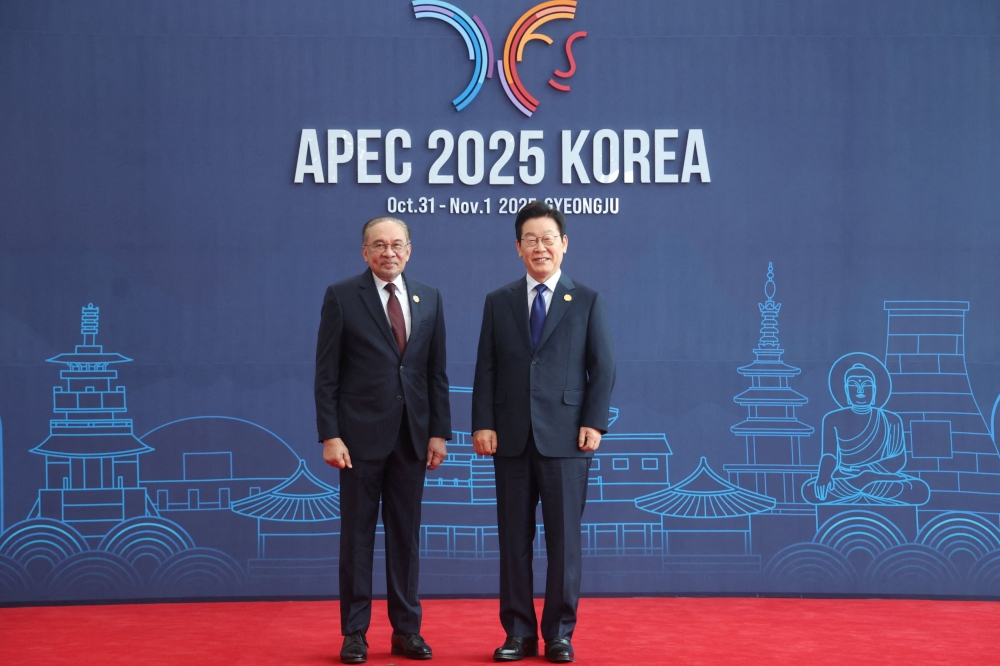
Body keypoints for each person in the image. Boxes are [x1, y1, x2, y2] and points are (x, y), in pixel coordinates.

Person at [471, 201, 615, 663]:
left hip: (567, 439)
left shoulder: (587, 300)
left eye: (548, 238)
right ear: (518, 248)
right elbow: (486, 368)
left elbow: (603, 366)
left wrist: (594, 421)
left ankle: (559, 634)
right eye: (530, 239)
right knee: (514, 541)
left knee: (564, 543)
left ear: (564, 244)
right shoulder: (499, 301)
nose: (540, 247)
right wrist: (483, 423)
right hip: (511, 439)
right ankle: (518, 633)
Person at [315, 216, 451, 663]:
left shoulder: (429, 298)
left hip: (412, 439)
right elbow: (327, 375)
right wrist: (330, 435)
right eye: (378, 245)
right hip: (357, 440)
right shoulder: (341, 297)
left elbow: (435, 374)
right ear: (364, 253)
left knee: (405, 539)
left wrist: (438, 433)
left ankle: (407, 630)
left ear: (409, 250)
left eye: (396, 244)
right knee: (356, 537)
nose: (388, 252)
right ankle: (355, 632)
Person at [802, 362, 930, 505]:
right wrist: (824, 475)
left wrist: (867, 471)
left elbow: (899, 459)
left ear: (874, 390)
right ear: (846, 391)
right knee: (810, 489)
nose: (860, 391)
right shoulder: (832, 419)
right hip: (847, 477)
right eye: (853, 385)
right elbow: (829, 455)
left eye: (867, 385)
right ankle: (863, 486)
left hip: (879, 478)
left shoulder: (891, 419)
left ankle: (864, 485)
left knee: (919, 489)